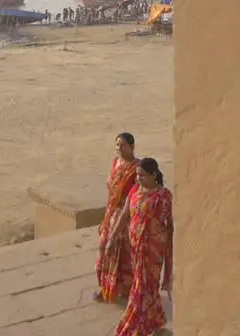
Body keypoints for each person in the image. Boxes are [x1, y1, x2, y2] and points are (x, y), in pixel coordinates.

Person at [108, 157, 173, 336]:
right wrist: (112, 238)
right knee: (143, 284)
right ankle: (154, 320)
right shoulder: (135, 190)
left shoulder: (164, 196)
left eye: (142, 176)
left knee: (145, 286)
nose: (138, 179)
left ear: (153, 175)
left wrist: (170, 253)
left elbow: (171, 225)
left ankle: (135, 322)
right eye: (137, 175)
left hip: (154, 249)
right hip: (136, 247)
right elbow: (124, 216)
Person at [95, 133, 140, 303]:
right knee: (103, 250)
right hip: (111, 213)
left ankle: (125, 290)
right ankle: (105, 287)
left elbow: (137, 194)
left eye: (123, 145)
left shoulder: (137, 169)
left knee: (122, 254)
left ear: (132, 146)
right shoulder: (116, 163)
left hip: (125, 215)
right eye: (117, 145)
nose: (119, 148)